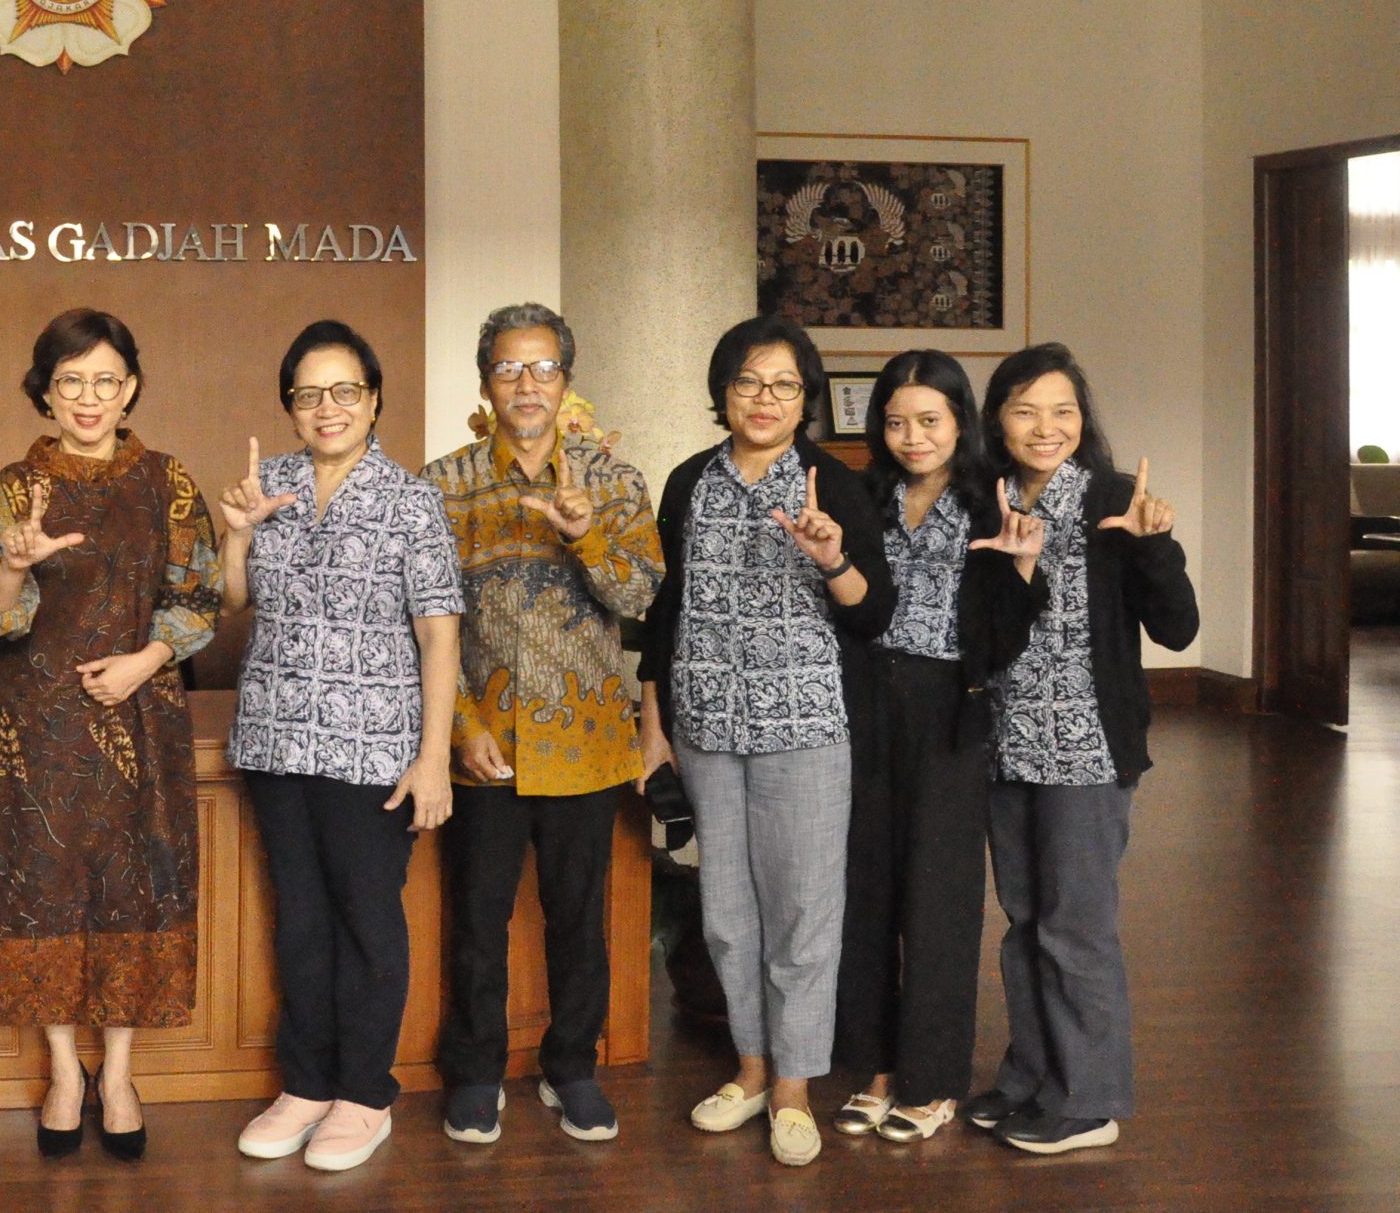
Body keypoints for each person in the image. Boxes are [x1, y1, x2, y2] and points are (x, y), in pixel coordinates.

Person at [0, 308, 221, 1160]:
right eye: (71, 382)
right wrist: (15, 568)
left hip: (143, 718)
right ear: (46, 394)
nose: (89, 397)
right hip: (39, 729)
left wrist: (147, 658)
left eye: (106, 380)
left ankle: (122, 1072)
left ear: (130, 386)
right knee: (45, 887)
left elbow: (201, 595)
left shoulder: (169, 481)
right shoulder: (10, 488)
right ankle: (65, 1068)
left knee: (141, 885)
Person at [637, 314, 896, 1169]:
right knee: (725, 915)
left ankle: (794, 1088)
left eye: (784, 384)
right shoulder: (689, 482)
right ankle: (749, 1071)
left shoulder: (835, 482)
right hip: (707, 726)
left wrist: (831, 557)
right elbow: (662, 613)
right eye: (749, 381)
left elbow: (874, 610)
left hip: (806, 730)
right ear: (722, 391)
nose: (764, 398)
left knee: (802, 914)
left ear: (806, 399)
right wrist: (654, 726)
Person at [222, 320, 461, 1175]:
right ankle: (307, 1084)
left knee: (366, 920)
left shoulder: (411, 500)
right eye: (308, 394)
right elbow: (232, 599)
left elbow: (439, 637)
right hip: (278, 739)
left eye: (344, 392)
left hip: (374, 749)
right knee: (301, 922)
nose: (327, 409)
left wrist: (433, 757)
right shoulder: (269, 483)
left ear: (375, 400)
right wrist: (240, 532)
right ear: (290, 407)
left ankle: (363, 1093)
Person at [423, 302, 662, 1148]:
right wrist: (458, 726)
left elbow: (639, 599)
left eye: (544, 369)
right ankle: (476, 1075)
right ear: (485, 380)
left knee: (577, 920)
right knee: (479, 922)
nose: (527, 385)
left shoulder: (616, 483)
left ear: (567, 380)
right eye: (509, 369)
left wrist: (589, 535)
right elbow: (420, 617)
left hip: (588, 745)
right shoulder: (442, 485)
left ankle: (573, 1069)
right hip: (483, 745)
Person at [967, 342, 1197, 1156]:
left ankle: (1090, 1099)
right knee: (1024, 922)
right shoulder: (986, 505)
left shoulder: (1113, 497)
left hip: (1089, 750)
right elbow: (985, 638)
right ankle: (1032, 1077)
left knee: (1076, 927)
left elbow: (1178, 629)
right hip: (1007, 742)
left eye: (1062, 410)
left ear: (1081, 419)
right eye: (1026, 409)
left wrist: (1151, 546)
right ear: (998, 419)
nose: (1046, 426)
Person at [828, 350, 1047, 1144]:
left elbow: (1006, 634)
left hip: (952, 707)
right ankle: (877, 1069)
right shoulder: (864, 496)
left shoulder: (992, 503)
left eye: (929, 420)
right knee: (865, 893)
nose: (912, 437)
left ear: (961, 421)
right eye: (895, 421)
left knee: (939, 901)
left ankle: (934, 1078)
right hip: (865, 704)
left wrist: (1023, 572)